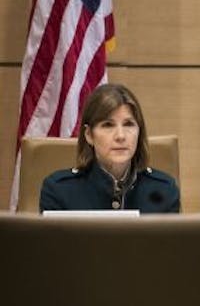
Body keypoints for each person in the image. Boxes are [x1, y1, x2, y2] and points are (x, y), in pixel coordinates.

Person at [38, 83, 181, 213]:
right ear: (89, 135)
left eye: (128, 124)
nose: (120, 136)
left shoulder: (164, 190)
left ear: (139, 132)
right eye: (108, 125)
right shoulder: (59, 190)